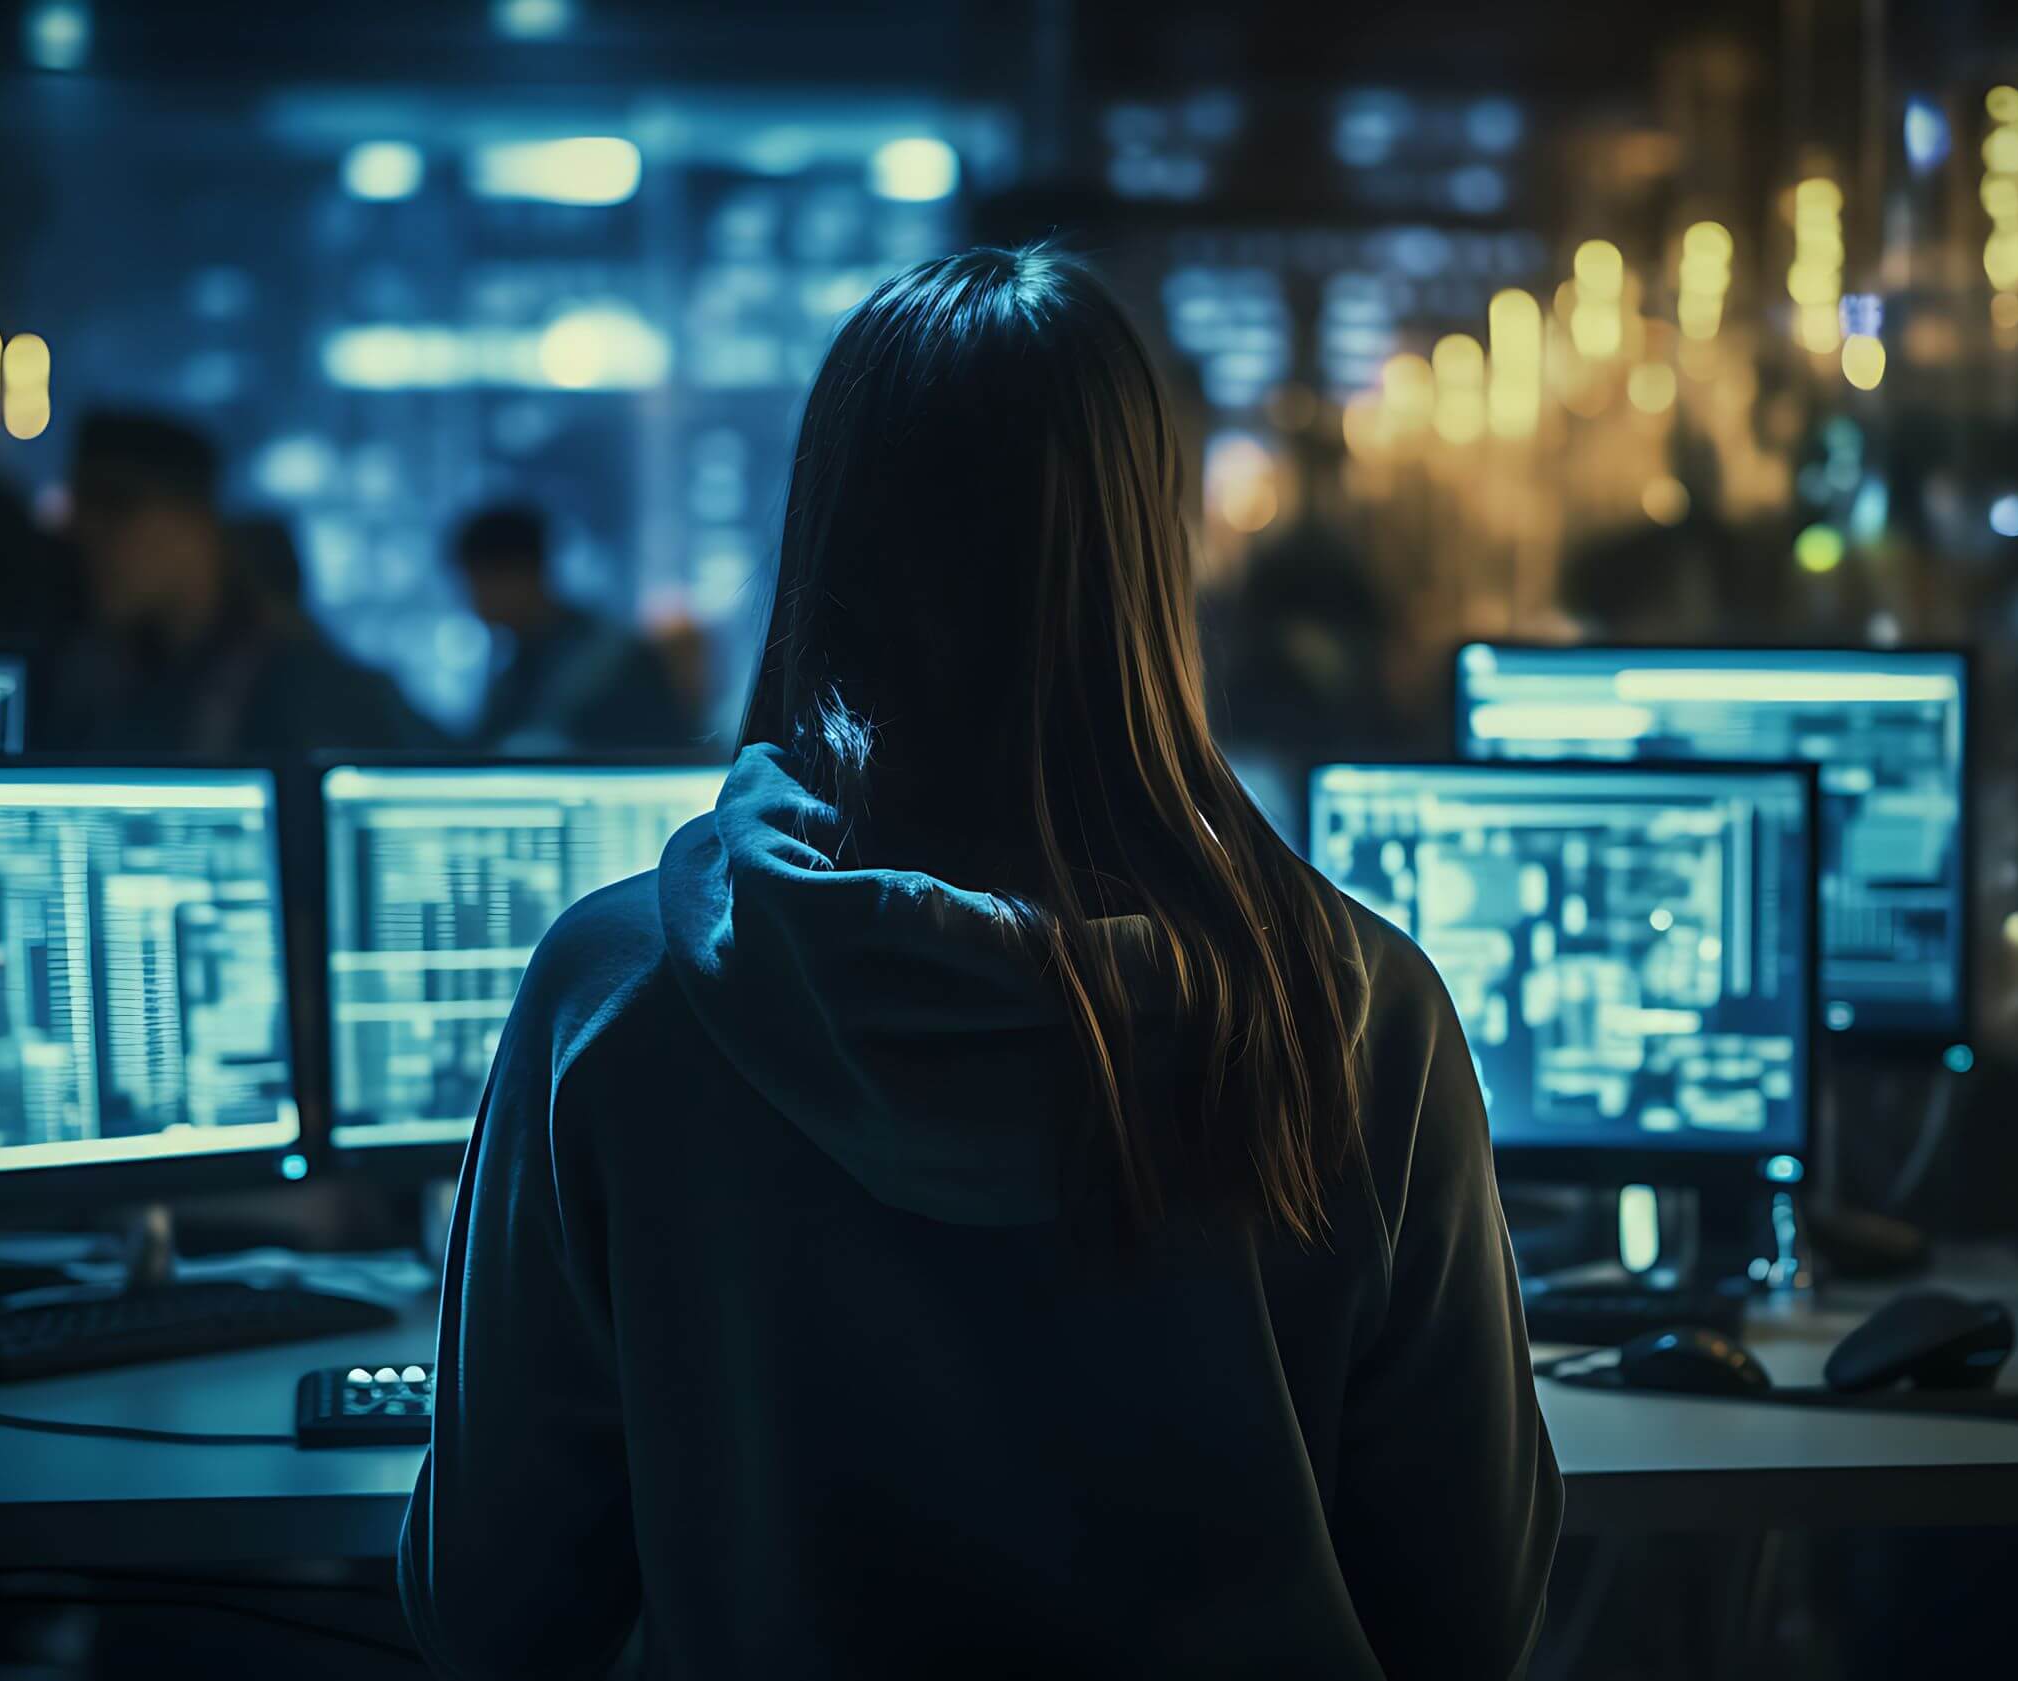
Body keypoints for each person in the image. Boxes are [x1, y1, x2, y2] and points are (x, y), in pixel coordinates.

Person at [401, 248, 1560, 1677]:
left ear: (821, 539)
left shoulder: (616, 998)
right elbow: (1472, 1620)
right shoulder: (1353, 1007)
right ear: (1154, 560)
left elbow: (491, 1612)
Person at [48, 411, 439, 756]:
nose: (93, 547)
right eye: (83, 522)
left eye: (117, 515)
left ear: (194, 522)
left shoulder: (305, 687)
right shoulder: (105, 679)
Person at [451, 504, 695, 753]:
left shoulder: (610, 659)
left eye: (475, 582)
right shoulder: (519, 660)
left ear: (518, 574)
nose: (472, 599)